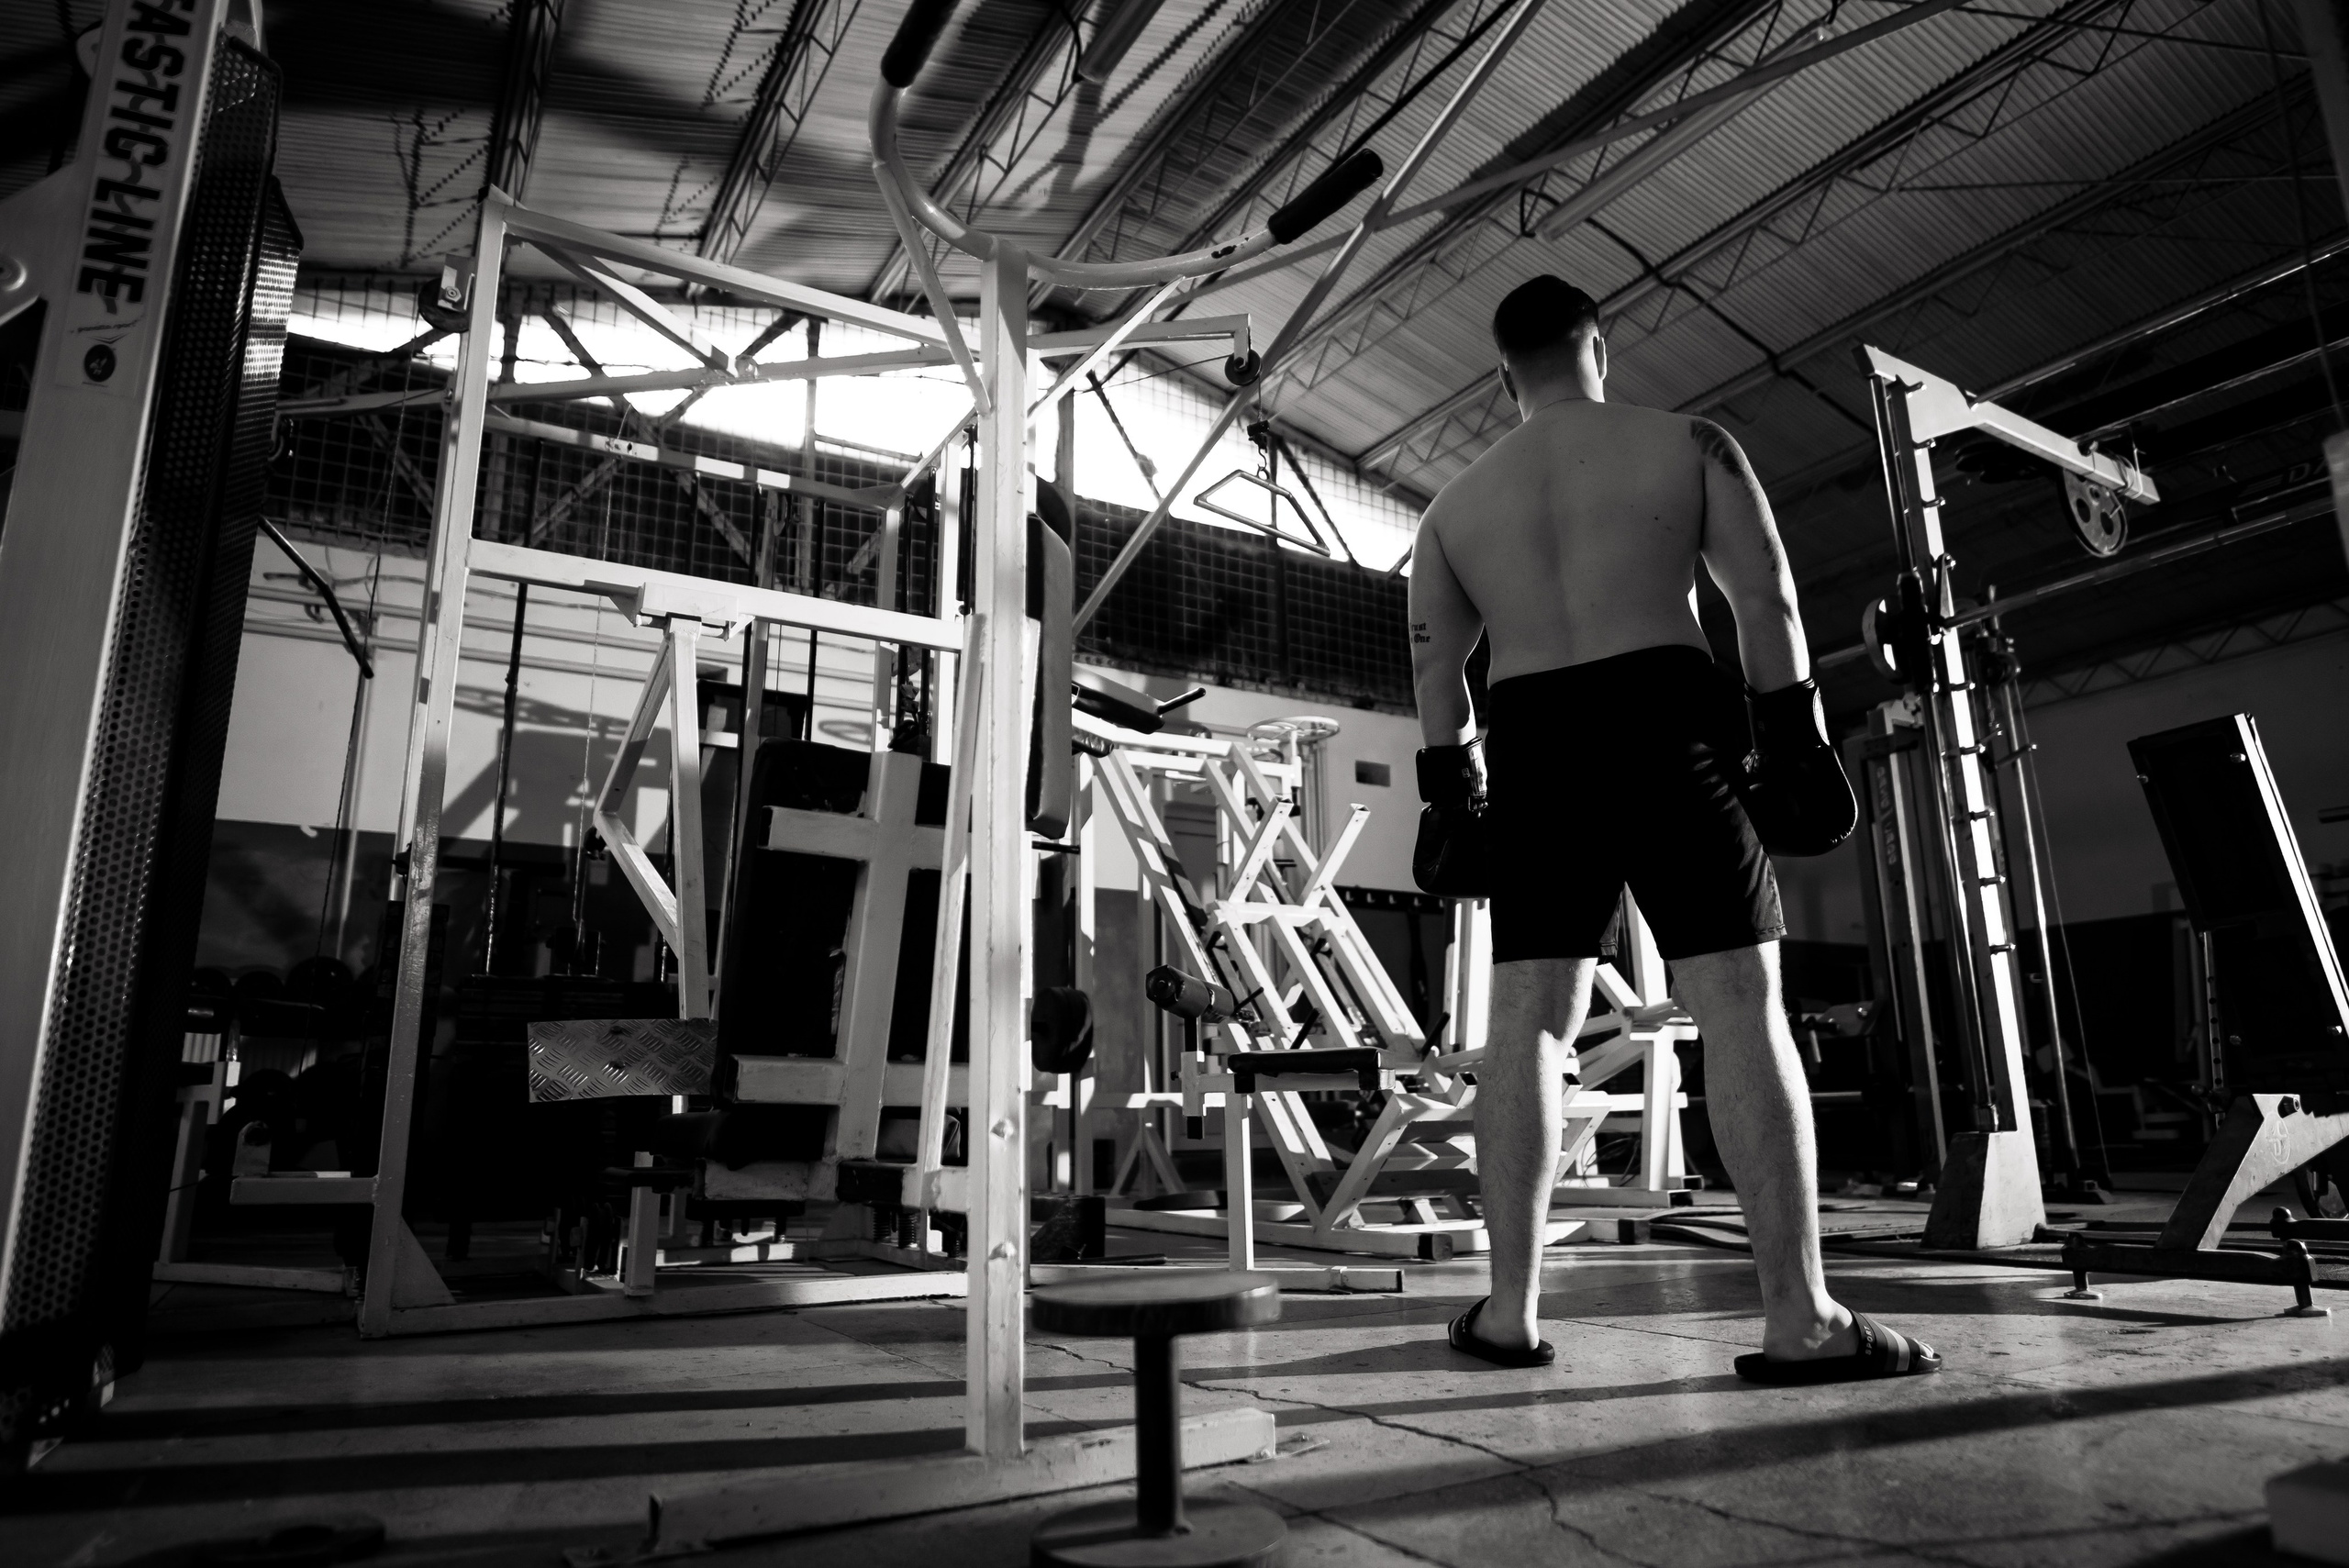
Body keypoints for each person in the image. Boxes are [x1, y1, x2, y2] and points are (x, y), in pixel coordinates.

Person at [1407, 274, 1935, 1384]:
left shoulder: (1451, 508)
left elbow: (1436, 671)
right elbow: (1768, 599)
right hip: (1662, 719)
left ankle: (1506, 1311)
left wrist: (1450, 793)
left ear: (1504, 376)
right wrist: (1793, 739)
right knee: (1738, 1004)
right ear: (1600, 348)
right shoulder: (1687, 441)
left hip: (1535, 737)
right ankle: (1798, 1316)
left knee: (1528, 1027)